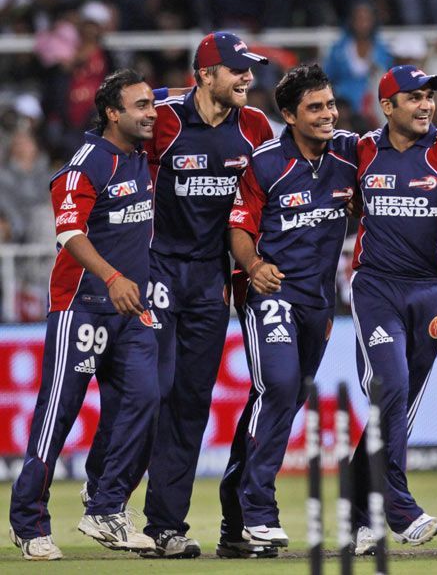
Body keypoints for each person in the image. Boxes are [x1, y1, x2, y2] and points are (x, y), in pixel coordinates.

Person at [9, 69, 160, 560]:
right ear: (112, 113)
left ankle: (106, 507)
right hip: (81, 307)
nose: (151, 113)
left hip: (131, 310)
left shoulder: (141, 155)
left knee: (143, 400)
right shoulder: (87, 163)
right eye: (140, 106)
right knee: (58, 415)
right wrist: (113, 277)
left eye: (151, 104)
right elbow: (69, 234)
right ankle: (29, 523)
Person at [349, 64, 437, 555]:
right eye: (413, 97)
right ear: (387, 106)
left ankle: (358, 509)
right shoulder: (362, 150)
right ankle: (401, 510)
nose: (425, 105)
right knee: (390, 386)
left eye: (428, 97)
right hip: (375, 289)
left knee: (394, 408)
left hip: (432, 292)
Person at [138, 31, 272, 558]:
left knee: (191, 402)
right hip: (156, 268)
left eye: (249, 69)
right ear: (205, 75)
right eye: (237, 69)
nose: (247, 78)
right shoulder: (162, 117)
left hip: (210, 280)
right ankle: (105, 494)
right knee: (152, 390)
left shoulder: (256, 127)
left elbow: (270, 191)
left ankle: (163, 527)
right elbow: (106, 148)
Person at [218, 63, 359, 554]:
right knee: (276, 386)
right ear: (288, 115)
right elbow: (238, 226)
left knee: (283, 399)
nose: (328, 115)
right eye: (315, 108)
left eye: (330, 105)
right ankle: (258, 511)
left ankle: (234, 513)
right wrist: (254, 265)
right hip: (271, 293)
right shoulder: (264, 164)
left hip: (319, 302)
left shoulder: (349, 155)